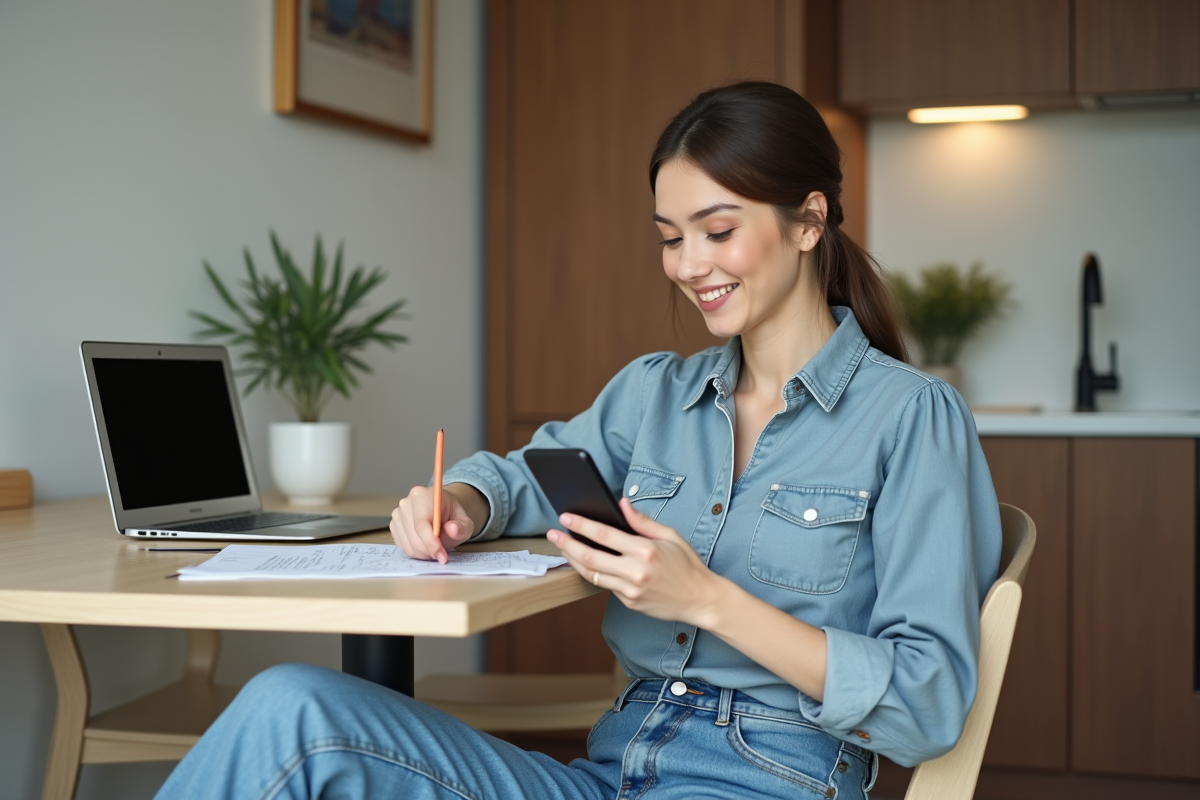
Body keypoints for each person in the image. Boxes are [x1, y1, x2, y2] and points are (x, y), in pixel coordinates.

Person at [156, 81, 1001, 800]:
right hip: (609, 771)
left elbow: (927, 706)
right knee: (290, 710)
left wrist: (706, 599)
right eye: (670, 238)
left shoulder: (912, 418)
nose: (688, 264)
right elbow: (529, 476)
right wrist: (462, 501)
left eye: (718, 230)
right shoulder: (654, 394)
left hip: (765, 778)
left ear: (809, 221)